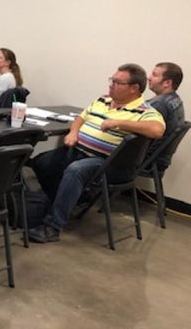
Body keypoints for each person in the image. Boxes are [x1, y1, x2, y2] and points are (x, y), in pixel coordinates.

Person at [29, 64, 165, 244]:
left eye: (117, 82)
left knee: (75, 171)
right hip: (78, 150)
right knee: (41, 162)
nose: (111, 85)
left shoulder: (144, 111)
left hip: (107, 163)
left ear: (134, 88)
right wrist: (73, 132)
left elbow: (157, 130)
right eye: (112, 80)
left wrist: (119, 122)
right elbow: (81, 118)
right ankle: (67, 202)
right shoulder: (103, 99)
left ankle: (52, 226)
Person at [147, 62, 185, 171]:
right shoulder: (174, 99)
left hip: (149, 160)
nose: (149, 78)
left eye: (154, 75)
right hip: (160, 158)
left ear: (167, 83)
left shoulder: (160, 105)